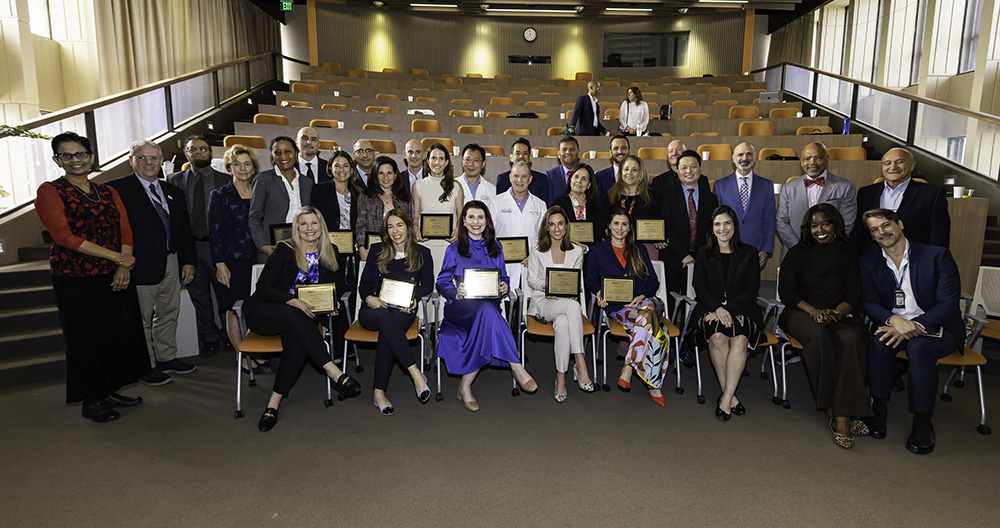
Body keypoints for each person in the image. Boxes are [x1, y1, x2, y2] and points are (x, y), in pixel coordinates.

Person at [35, 132, 150, 422]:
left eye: (81, 154)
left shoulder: (108, 192)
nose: (75, 160)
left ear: (91, 157)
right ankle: (92, 399)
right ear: (56, 159)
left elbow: (125, 229)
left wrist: (124, 265)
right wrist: (117, 258)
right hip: (75, 277)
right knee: (86, 338)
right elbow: (63, 236)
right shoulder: (50, 191)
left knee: (115, 334)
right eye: (67, 155)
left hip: (113, 275)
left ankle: (110, 388)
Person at [858, 208, 964, 455]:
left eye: (885, 225)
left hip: (937, 328)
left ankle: (922, 422)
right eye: (875, 230)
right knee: (880, 341)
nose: (882, 232)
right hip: (896, 325)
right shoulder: (868, 262)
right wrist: (894, 319)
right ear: (872, 237)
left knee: (919, 347)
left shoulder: (937, 255)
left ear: (900, 224)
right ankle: (878, 411)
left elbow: (949, 303)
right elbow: (870, 302)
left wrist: (915, 326)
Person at [245, 206, 359, 432]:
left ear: (321, 226)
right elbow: (263, 288)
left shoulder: (331, 251)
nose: (309, 228)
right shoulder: (284, 249)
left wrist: (332, 303)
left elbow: (331, 287)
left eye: (314, 223)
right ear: (297, 227)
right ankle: (333, 371)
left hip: (302, 317)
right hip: (266, 311)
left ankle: (273, 404)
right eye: (303, 224)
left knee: (296, 343)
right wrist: (292, 300)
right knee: (295, 314)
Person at [777, 204, 871, 449]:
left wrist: (836, 313)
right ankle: (838, 414)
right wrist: (815, 313)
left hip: (838, 313)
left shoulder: (848, 254)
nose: (820, 229)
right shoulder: (797, 253)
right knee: (818, 338)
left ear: (835, 225)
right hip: (801, 312)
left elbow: (854, 294)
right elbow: (786, 292)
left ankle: (842, 411)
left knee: (851, 339)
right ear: (808, 228)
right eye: (814, 225)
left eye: (825, 223)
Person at [108, 139, 198, 386]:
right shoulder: (116, 191)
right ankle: (146, 365)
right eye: (142, 158)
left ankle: (167, 357)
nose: (149, 162)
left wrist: (188, 261)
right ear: (131, 161)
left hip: (171, 261)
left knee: (170, 312)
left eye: (153, 158)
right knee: (142, 318)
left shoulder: (173, 191)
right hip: (138, 265)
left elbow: (183, 230)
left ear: (161, 162)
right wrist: (121, 263)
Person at [436, 200, 538, 411]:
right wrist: (455, 291)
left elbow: (504, 278)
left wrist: (503, 286)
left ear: (487, 221)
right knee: (488, 311)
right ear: (463, 221)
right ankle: (516, 366)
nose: (476, 222)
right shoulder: (454, 249)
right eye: (471, 217)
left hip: (487, 307)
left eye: (480, 217)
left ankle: (465, 386)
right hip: (460, 307)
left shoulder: (496, 247)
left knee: (488, 311)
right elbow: (442, 281)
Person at [586, 208, 666, 406]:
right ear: (609, 227)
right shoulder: (597, 251)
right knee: (655, 327)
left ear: (630, 228)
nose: (620, 228)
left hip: (644, 301)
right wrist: (599, 293)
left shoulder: (639, 249)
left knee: (646, 311)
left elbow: (653, 282)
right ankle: (653, 385)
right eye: (616, 224)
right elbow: (590, 280)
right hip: (618, 307)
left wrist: (641, 295)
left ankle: (629, 366)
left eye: (624, 224)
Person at [358, 210, 434, 415]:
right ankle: (415, 373)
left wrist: (414, 297)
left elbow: (427, 285)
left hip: (403, 309)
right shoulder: (376, 250)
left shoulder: (423, 253)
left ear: (408, 227)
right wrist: (369, 298)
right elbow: (364, 284)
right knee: (384, 318)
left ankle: (378, 392)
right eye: (390, 226)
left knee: (387, 334)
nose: (395, 231)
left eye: (399, 225)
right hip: (373, 310)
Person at [691, 205, 764, 421]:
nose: (723, 228)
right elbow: (699, 287)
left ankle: (725, 398)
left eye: (727, 223)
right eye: (717, 224)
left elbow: (752, 290)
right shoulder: (703, 252)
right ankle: (730, 396)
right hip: (710, 307)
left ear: (734, 226)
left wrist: (729, 309)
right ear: (712, 229)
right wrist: (718, 308)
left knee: (740, 338)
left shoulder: (749, 253)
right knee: (718, 336)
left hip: (743, 308)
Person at [167, 135, 229, 356]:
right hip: (190, 246)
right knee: (199, 295)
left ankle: (229, 335)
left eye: (203, 149)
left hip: (218, 246)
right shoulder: (174, 180)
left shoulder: (225, 179)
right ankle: (209, 336)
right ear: (187, 154)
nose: (199, 153)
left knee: (225, 293)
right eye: (194, 149)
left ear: (211, 153)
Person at [526, 206, 594, 402]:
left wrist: (573, 292)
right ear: (546, 228)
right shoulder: (537, 250)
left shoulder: (575, 251)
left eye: (560, 224)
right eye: (552, 224)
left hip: (566, 304)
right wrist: (549, 286)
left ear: (566, 226)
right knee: (572, 308)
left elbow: (577, 281)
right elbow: (531, 280)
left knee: (564, 322)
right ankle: (580, 362)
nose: (556, 228)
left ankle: (561, 378)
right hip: (543, 302)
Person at [208, 144, 262, 373]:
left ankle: (252, 352)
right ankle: (242, 355)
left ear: (253, 167)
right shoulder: (220, 195)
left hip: (256, 258)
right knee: (233, 308)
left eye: (247, 163)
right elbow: (215, 232)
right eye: (237, 164)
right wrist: (220, 264)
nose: (242, 168)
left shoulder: (259, 191)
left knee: (251, 307)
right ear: (229, 167)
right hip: (232, 260)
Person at [852, 148, 950, 255]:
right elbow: (858, 230)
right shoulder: (866, 193)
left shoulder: (932, 194)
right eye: (887, 163)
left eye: (899, 162)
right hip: (873, 259)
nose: (893, 167)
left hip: (915, 259)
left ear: (912, 165)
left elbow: (939, 234)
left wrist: (933, 262)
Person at [776, 142, 857, 260]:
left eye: (818, 158)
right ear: (801, 162)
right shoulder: (788, 188)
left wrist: (822, 248)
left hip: (830, 254)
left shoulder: (845, 187)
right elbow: (781, 222)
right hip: (795, 254)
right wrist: (799, 247)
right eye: (807, 158)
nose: (812, 163)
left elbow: (846, 222)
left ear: (827, 159)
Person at [248, 136, 314, 262]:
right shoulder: (263, 179)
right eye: (277, 153)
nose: (283, 156)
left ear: (296, 154)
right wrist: (262, 245)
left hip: (302, 247)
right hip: (271, 249)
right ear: (272, 156)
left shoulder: (307, 182)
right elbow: (254, 216)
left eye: (287, 151)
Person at [712, 142, 776, 269]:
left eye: (749, 154)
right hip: (726, 246)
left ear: (755, 157)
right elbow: (715, 220)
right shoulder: (720, 185)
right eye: (740, 154)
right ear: (733, 158)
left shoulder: (766, 185)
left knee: (750, 286)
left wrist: (765, 249)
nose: (745, 158)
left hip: (755, 247)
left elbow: (769, 219)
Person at [356, 156, 413, 260]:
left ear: (395, 175)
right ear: (375, 175)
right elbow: (360, 226)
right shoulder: (365, 197)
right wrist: (361, 248)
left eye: (389, 173)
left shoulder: (404, 198)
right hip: (372, 252)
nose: (385, 177)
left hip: (400, 252)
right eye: (381, 173)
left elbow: (409, 226)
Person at [412, 142, 464, 242]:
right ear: (427, 161)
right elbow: (415, 216)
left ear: (446, 162)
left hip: (449, 245)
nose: (437, 162)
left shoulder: (456, 187)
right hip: (425, 244)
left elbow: (460, 216)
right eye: (433, 158)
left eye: (441, 158)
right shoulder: (418, 186)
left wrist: (458, 229)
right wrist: (415, 229)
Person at [490, 162, 548, 250]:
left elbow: (542, 237)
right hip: (502, 260)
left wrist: (533, 255)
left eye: (524, 176)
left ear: (530, 179)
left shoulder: (540, 205)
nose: (519, 180)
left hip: (531, 261)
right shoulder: (495, 202)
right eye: (516, 176)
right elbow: (490, 234)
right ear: (510, 178)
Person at [311, 150, 363, 234]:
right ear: (331, 169)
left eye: (345, 166)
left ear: (352, 170)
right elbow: (314, 219)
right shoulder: (319, 190)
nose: (341, 170)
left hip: (353, 243)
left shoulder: (359, 193)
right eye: (337, 166)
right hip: (327, 241)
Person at [552, 163, 602, 243]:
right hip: (564, 251)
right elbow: (553, 230)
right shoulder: (558, 203)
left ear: (589, 185)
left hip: (588, 253)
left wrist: (586, 248)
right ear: (570, 179)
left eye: (584, 179)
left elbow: (598, 235)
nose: (579, 181)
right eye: (576, 177)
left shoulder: (595, 206)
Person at [496, 137, 549, 204]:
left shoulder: (541, 179)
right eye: (518, 153)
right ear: (511, 157)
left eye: (525, 153)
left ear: (530, 158)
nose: (521, 156)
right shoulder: (503, 179)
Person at [544, 136, 581, 207]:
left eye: (572, 149)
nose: (568, 152)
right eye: (564, 149)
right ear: (558, 154)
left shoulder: (585, 174)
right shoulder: (551, 175)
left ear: (578, 152)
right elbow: (549, 203)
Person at [594, 134, 630, 206]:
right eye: (616, 148)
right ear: (610, 152)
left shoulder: (639, 176)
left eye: (623, 148)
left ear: (629, 150)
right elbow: (598, 205)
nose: (620, 152)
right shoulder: (599, 177)